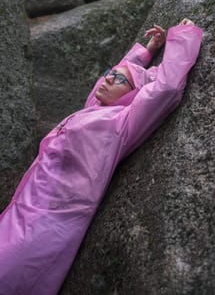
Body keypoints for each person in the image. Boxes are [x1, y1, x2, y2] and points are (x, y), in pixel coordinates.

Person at [0, 18, 203, 295]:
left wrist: (182, 38)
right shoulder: (93, 110)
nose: (108, 79)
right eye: (110, 73)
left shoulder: (122, 122)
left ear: (133, 93)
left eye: (119, 79)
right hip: (23, 207)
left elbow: (164, 90)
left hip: (50, 222)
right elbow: (109, 81)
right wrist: (145, 51)